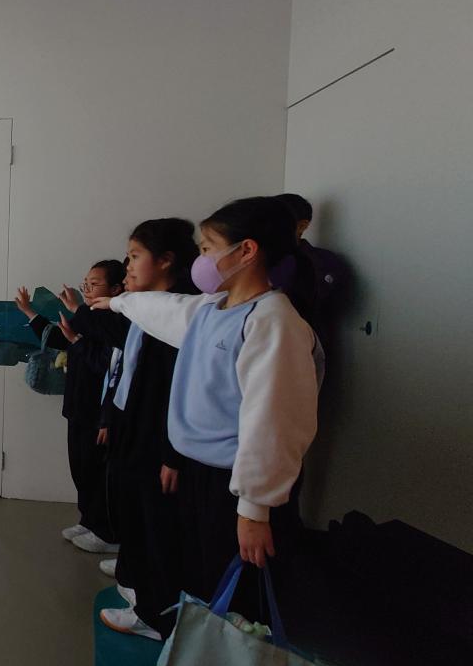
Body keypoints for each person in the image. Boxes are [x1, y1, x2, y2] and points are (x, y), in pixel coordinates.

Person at [91, 197, 321, 629]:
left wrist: (254, 508)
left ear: (246, 250)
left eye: (208, 248)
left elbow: (274, 422)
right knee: (199, 577)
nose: (201, 260)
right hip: (202, 475)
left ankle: (230, 657)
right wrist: (118, 304)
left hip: (237, 486)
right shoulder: (214, 309)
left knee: (239, 595)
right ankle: (192, 648)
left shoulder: (273, 321)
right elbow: (168, 310)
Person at [64, 219, 199, 641]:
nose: (128, 267)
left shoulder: (178, 314)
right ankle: (137, 585)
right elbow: (123, 364)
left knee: (155, 524)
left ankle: (155, 614)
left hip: (158, 437)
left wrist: (173, 453)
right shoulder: (142, 306)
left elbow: (178, 391)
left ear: (166, 260)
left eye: (135, 256)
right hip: (130, 425)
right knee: (134, 513)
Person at [14, 260, 124, 551]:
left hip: (98, 411)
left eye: (94, 284)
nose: (87, 289)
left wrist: (77, 327)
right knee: (81, 468)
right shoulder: (90, 315)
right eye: (86, 283)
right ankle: (89, 520)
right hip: (78, 406)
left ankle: (108, 531)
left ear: (116, 288)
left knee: (98, 471)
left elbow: (107, 365)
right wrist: (29, 311)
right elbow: (58, 338)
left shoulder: (114, 321)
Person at [268, 193, 351, 353]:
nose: (268, 227)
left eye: (277, 220)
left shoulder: (324, 261)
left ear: (302, 226)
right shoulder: (257, 258)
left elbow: (325, 306)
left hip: (305, 344)